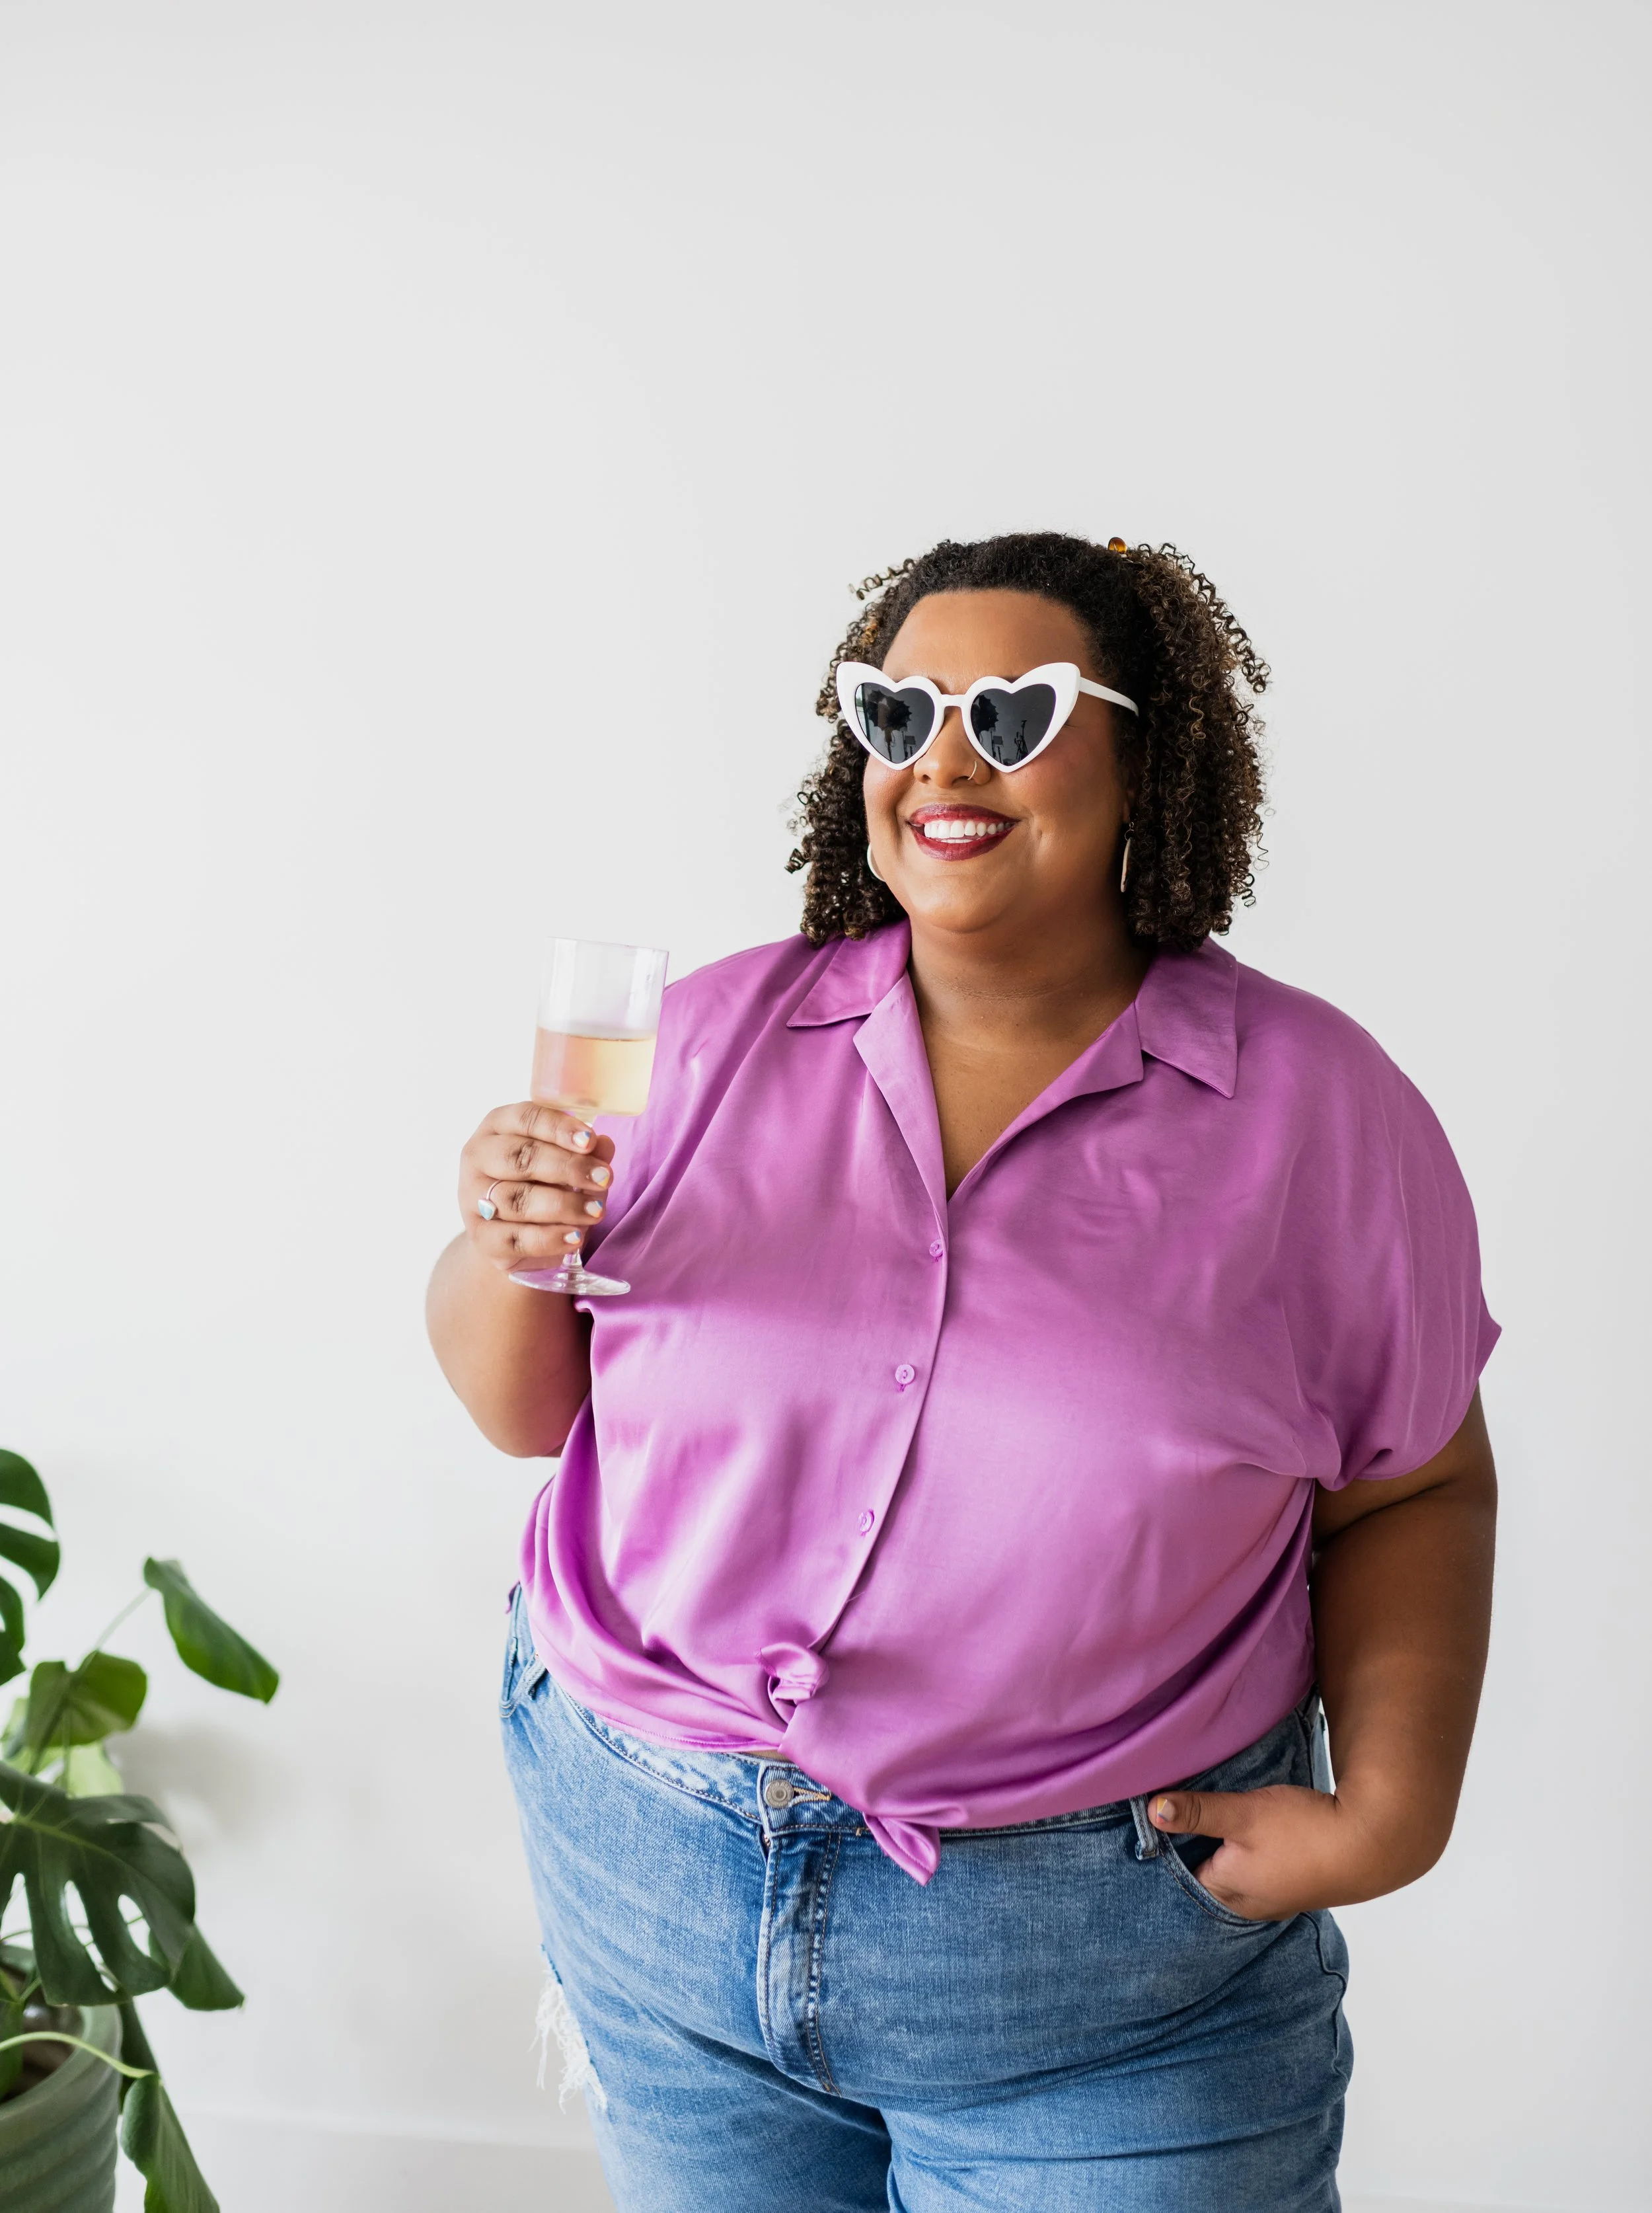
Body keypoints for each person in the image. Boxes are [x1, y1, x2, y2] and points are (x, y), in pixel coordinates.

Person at [428, 531, 1499, 2213]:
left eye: (1009, 712)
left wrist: (1390, 1814)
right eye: (895, 706)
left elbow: (1418, 1483)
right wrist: (504, 1236)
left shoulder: (1318, 1113)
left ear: (1148, 759)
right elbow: (525, 1410)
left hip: (1099, 1977)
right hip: (651, 1879)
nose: (937, 753)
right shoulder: (695, 1039)